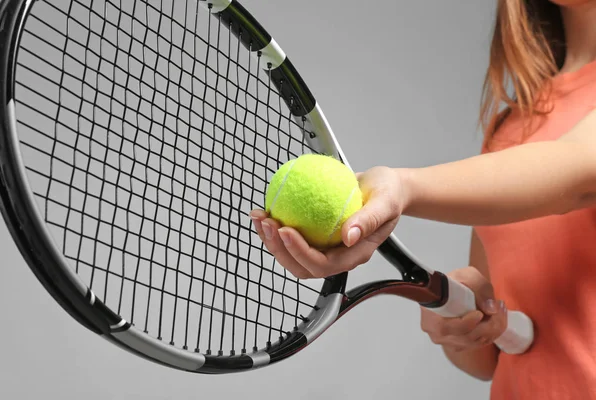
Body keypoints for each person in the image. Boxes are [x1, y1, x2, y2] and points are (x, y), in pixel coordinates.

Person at [251, 0, 596, 398]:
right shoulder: (512, 128)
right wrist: (456, 323)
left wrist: (403, 188)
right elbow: (486, 361)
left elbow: (578, 174)